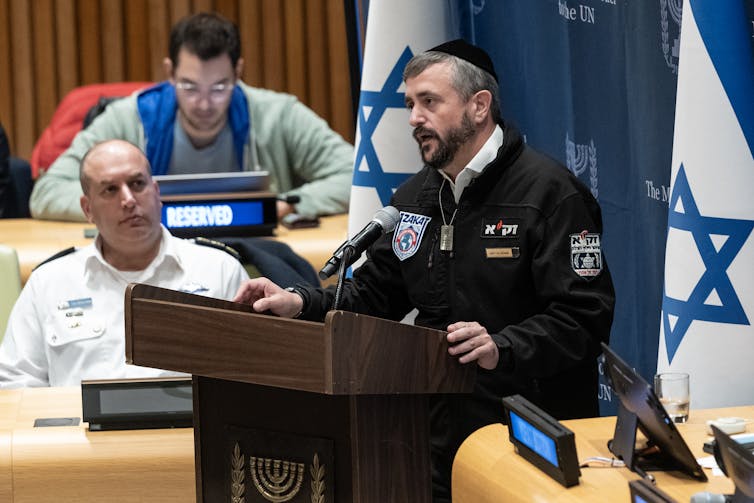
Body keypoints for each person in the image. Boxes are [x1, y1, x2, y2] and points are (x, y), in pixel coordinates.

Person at [232, 40, 615, 501]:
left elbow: (585, 318)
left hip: (528, 445)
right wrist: (300, 301)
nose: (414, 118)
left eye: (429, 102)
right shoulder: (413, 199)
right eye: (410, 104)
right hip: (433, 445)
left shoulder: (550, 195)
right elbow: (375, 297)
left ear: (479, 106)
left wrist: (503, 346)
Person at [29, 11, 354, 222]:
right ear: (170, 73)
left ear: (238, 72)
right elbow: (47, 191)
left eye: (219, 87)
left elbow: (354, 176)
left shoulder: (278, 114)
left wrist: (289, 203)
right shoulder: (128, 118)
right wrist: (124, 207)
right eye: (189, 86)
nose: (203, 103)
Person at [0, 139, 249, 388]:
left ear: (156, 192)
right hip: (78, 426)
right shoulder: (49, 282)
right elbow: (16, 382)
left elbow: (252, 373)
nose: (128, 200)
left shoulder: (219, 271)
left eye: (137, 184)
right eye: (110, 190)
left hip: (190, 426)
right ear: (88, 209)